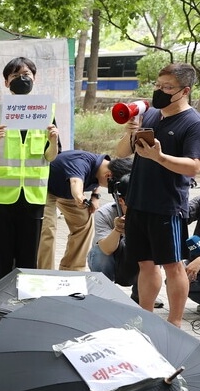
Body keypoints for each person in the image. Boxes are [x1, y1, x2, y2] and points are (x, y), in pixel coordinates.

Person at [114, 62, 200, 325]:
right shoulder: (151, 115)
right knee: (145, 264)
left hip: (167, 206)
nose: (160, 91)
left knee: (173, 266)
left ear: (184, 91)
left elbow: (194, 166)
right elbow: (121, 154)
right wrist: (129, 134)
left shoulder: (192, 122)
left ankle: (174, 324)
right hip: (138, 202)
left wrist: (160, 157)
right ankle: (145, 318)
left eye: (167, 87)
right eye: (158, 85)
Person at [0, 57, 60, 282]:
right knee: (2, 260)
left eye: (26, 75)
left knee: (28, 262)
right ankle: (0, 307)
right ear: (6, 82)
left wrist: (53, 140)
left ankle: (24, 306)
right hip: (1, 200)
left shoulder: (45, 113)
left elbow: (50, 156)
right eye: (15, 76)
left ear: (35, 79)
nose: (21, 79)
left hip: (32, 199)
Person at [87, 168, 163, 308]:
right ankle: (104, 296)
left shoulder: (152, 214)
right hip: (114, 261)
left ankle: (141, 295)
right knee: (99, 252)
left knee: (153, 252)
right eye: (135, 202)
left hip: (136, 265)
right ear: (121, 200)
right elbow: (105, 249)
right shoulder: (105, 213)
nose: (140, 206)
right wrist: (117, 230)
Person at [37, 150, 115, 272]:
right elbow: (75, 181)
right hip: (46, 188)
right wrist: (79, 196)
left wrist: (95, 196)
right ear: (108, 175)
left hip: (67, 192)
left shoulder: (105, 166)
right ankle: (44, 273)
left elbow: (97, 182)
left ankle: (72, 270)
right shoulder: (79, 163)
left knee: (84, 223)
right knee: (47, 229)